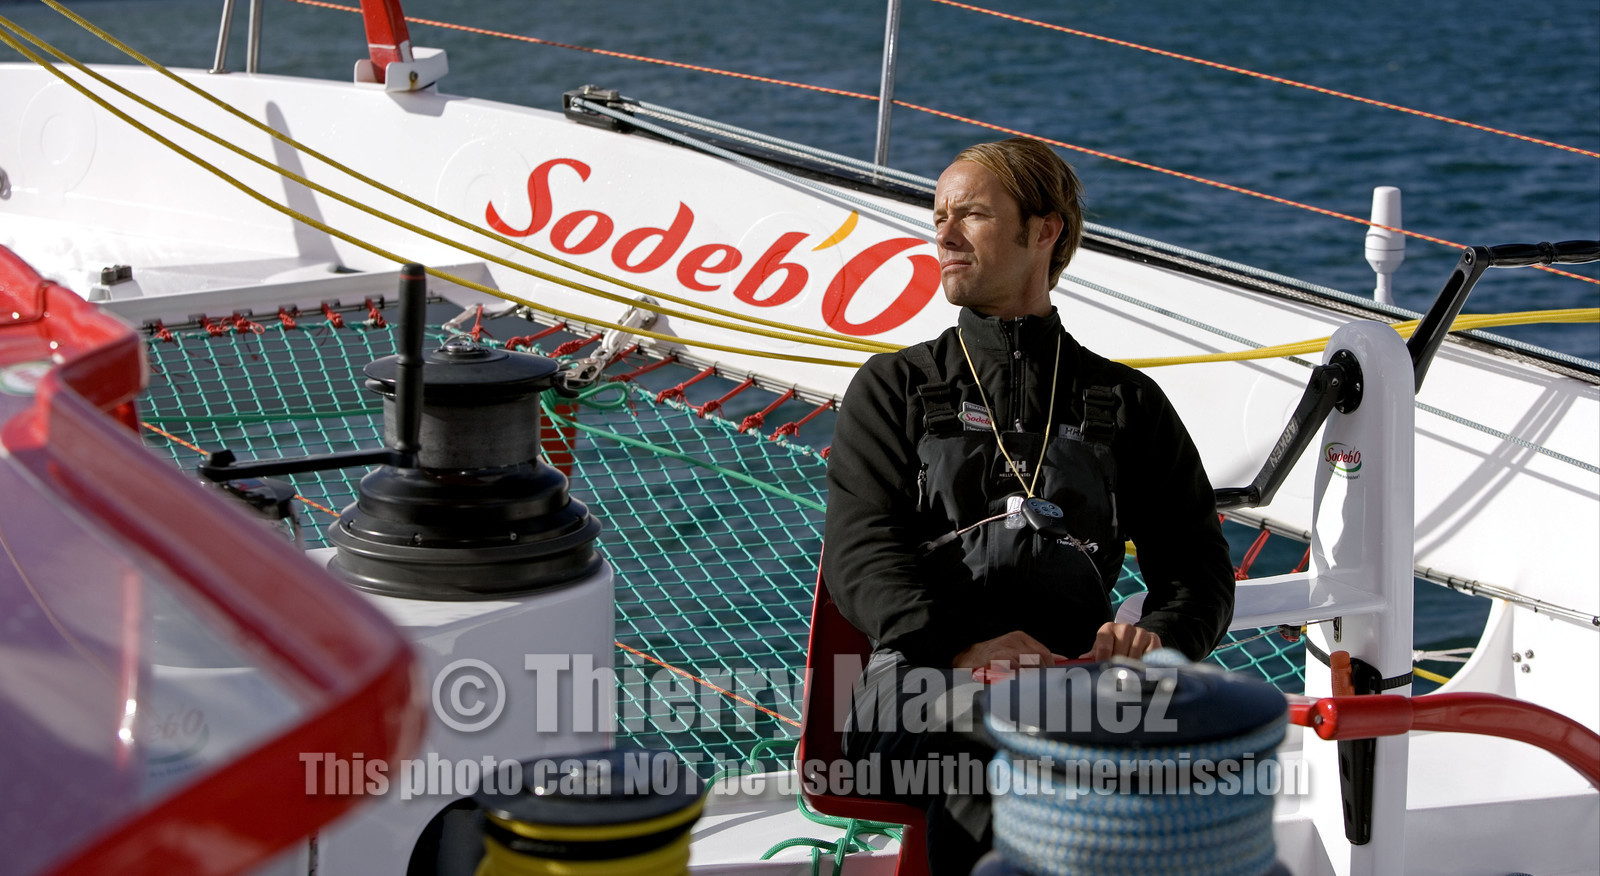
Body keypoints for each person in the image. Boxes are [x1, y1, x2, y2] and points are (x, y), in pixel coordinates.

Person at [821, 138, 1235, 874]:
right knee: (998, 761)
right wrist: (961, 646)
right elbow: (861, 557)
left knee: (1201, 773)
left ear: (1045, 231)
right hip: (918, 687)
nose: (942, 235)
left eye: (972, 214)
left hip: (1076, 686)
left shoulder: (1128, 404)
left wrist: (1156, 642)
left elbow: (1197, 574)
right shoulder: (894, 389)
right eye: (939, 214)